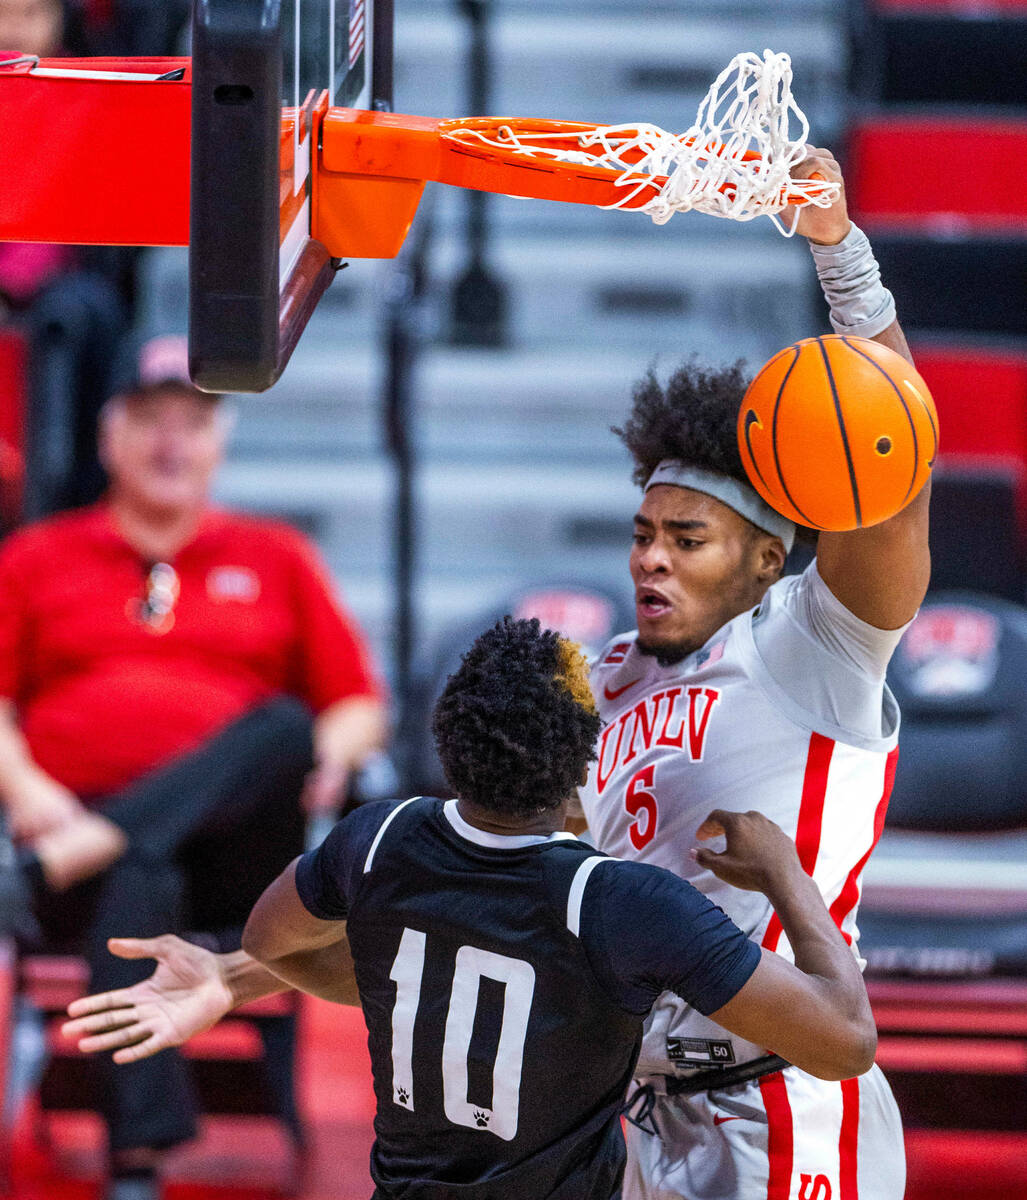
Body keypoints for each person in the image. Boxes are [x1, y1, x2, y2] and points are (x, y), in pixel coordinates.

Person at [64, 617, 877, 1200]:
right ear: (583, 761)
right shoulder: (619, 902)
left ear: (449, 736)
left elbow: (268, 940)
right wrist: (785, 876)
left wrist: (363, 976)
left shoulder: (379, 840)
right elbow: (842, 1044)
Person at [572, 146, 928, 1200]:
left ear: (768, 558)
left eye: (686, 537)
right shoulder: (601, 683)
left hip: (783, 1101)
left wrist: (841, 261)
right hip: (636, 1115)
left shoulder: (807, 645)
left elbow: (894, 476)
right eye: (641, 533)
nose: (649, 555)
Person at [0, 333, 388, 1199]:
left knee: (285, 727)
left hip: (239, 863)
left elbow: (357, 707)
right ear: (110, 438)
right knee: (141, 867)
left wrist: (330, 756)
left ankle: (87, 849)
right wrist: (26, 790)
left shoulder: (277, 556)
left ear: (220, 441)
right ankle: (139, 1156)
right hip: (73, 841)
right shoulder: (36, 557)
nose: (171, 441)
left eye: (193, 420)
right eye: (150, 420)